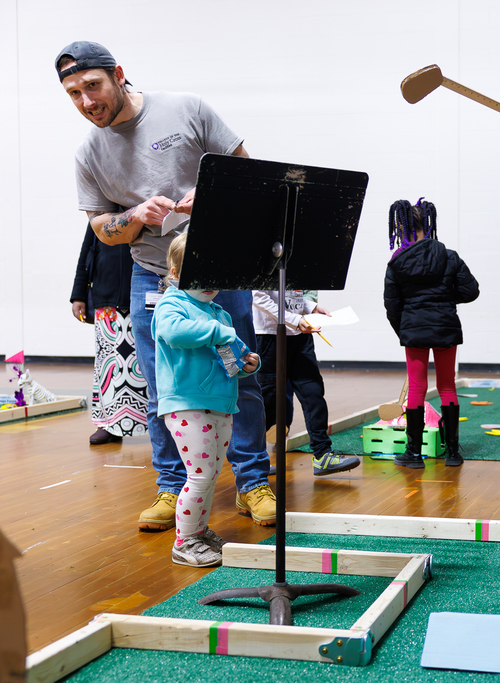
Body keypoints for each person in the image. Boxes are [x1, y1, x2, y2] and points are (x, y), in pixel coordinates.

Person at [56, 41, 276, 530]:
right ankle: (171, 487)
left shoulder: (186, 108)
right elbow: (100, 228)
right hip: (153, 276)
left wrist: (214, 193)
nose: (87, 101)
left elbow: (250, 172)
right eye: (74, 94)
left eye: (92, 86)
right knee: (160, 386)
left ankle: (253, 482)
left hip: (223, 271)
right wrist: (132, 216)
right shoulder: (89, 154)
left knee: (238, 370)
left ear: (118, 74)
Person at [153, 233, 260, 567]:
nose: (211, 284)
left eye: (217, 276)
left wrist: (245, 366)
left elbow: (229, 362)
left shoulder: (220, 314)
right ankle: (184, 542)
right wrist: (216, 331)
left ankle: (197, 531)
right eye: (202, 275)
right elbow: (175, 332)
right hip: (186, 403)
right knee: (199, 475)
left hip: (220, 404)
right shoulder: (172, 304)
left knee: (210, 474)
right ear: (175, 271)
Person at [384, 199, 479, 469]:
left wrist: (404, 330)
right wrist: (446, 301)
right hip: (445, 326)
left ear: (400, 227)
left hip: (414, 330)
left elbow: (392, 305)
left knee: (417, 387)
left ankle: (413, 454)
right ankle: (452, 453)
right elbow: (471, 291)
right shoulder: (449, 256)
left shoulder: (396, 263)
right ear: (427, 223)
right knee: (447, 386)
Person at [252, 289, 360, 476]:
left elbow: (292, 296)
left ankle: (322, 455)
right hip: (269, 335)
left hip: (299, 335)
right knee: (268, 398)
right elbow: (259, 298)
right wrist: (295, 320)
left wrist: (312, 306)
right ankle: (255, 460)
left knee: (313, 392)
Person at [71, 222, 148, 445]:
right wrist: (79, 294)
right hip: (106, 298)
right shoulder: (101, 212)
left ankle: (158, 427)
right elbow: (87, 251)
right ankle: (107, 425)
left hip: (144, 297)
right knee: (107, 366)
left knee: (145, 365)